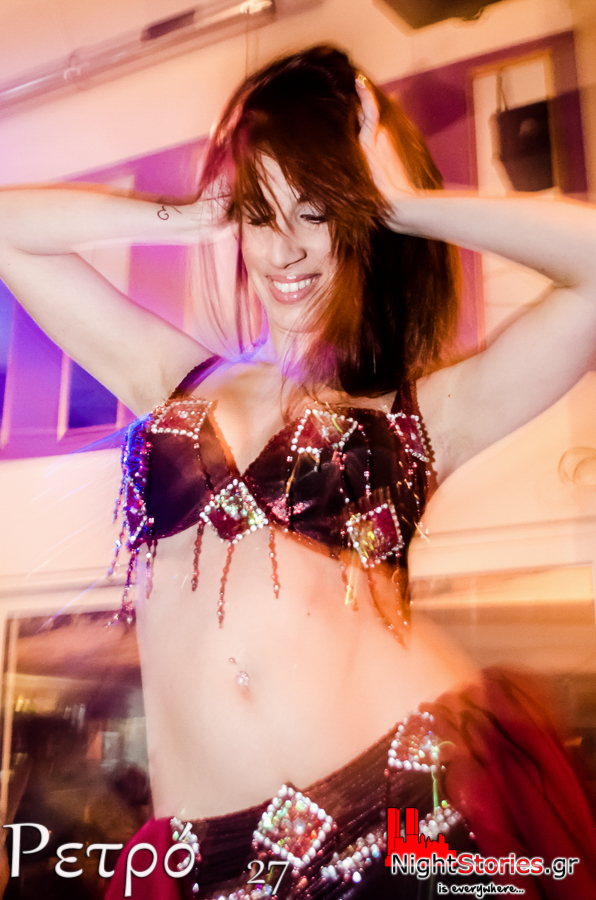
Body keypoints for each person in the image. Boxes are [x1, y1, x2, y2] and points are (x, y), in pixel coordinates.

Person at [1, 44, 596, 900]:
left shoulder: (423, 416)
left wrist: (403, 205)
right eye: (261, 213)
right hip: (203, 865)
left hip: (398, 828)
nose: (284, 249)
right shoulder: (170, 375)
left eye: (315, 211)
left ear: (357, 218)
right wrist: (191, 214)